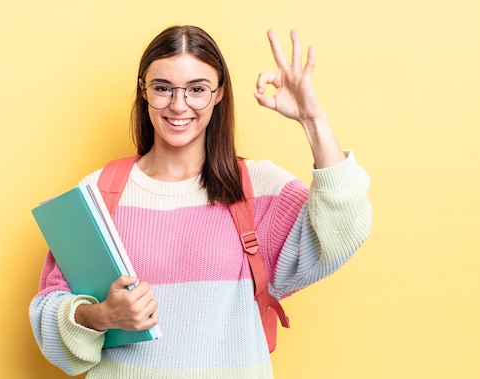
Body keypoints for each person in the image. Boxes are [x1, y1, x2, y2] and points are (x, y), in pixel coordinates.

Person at [29, 25, 372, 378]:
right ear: (143, 92)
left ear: (219, 93)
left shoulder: (257, 187)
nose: (179, 105)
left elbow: (343, 231)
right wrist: (102, 316)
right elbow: (50, 315)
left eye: (197, 89)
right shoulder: (100, 192)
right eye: (163, 88)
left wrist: (314, 121)